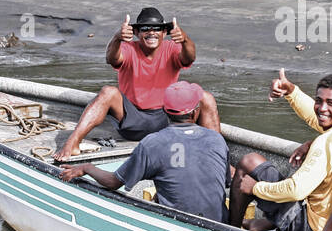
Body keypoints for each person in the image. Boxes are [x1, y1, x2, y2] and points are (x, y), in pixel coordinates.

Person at [56, 6, 219, 159]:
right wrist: (117, 38)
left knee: (206, 97)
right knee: (108, 91)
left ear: (164, 32)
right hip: (133, 121)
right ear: (136, 32)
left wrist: (184, 40)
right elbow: (111, 58)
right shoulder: (128, 48)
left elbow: (189, 57)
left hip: (168, 121)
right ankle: (72, 143)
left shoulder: (172, 48)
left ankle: (218, 155)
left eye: (156, 29)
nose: (151, 32)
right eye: (145, 28)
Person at [57, 82, 229, 223]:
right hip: (220, 220)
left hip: (178, 224)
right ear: (196, 111)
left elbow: (112, 182)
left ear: (165, 111)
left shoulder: (153, 143)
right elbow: (224, 181)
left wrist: (86, 167)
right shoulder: (217, 139)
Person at [228, 73, 332, 231]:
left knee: (249, 162)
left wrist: (255, 188)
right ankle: (259, 224)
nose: (322, 108)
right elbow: (313, 114)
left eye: (330, 103)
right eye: (319, 101)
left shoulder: (325, 143)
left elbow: (296, 190)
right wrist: (291, 91)